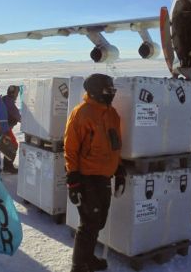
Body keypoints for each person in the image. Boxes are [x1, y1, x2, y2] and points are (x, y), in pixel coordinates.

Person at [64, 73, 126, 272]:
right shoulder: (81, 113)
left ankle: (88, 259)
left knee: (99, 221)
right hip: (86, 176)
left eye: (113, 91)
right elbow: (70, 148)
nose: (112, 94)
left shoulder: (112, 114)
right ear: (96, 92)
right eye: (109, 91)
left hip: (104, 176)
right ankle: (78, 266)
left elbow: (115, 145)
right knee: (89, 223)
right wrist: (73, 180)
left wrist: (120, 170)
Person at [1, 85, 21, 174]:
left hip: (2, 127)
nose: (17, 95)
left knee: (9, 145)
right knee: (13, 145)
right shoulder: (9, 102)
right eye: (17, 93)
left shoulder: (5, 99)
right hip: (5, 128)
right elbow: (17, 116)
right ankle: (8, 166)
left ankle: (7, 166)